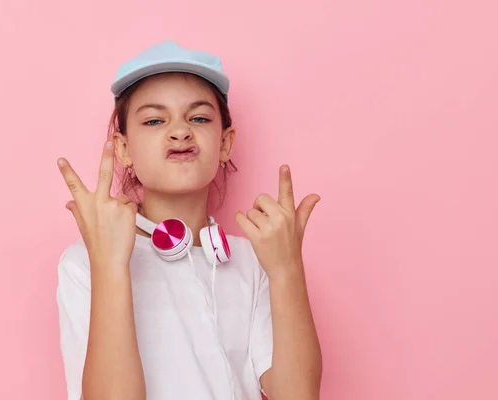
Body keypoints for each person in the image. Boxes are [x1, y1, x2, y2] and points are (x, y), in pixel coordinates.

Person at [56, 40, 322, 400]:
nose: (180, 131)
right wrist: (109, 265)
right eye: (154, 120)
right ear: (123, 149)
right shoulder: (85, 263)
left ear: (225, 143)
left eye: (198, 118)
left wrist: (287, 268)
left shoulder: (255, 261)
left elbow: (298, 396)